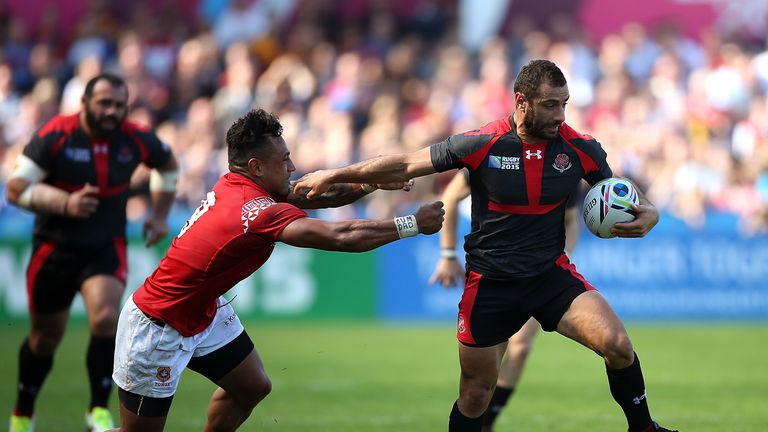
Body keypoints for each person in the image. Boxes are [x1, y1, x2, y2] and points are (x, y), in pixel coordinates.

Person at [294, 59, 677, 432]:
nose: (560, 115)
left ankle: (644, 429)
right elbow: (406, 164)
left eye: (564, 104)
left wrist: (651, 211)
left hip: (549, 277)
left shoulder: (580, 148)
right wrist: (333, 173)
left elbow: (620, 193)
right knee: (476, 394)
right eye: (549, 105)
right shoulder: (482, 142)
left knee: (618, 345)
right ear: (521, 101)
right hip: (490, 285)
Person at [109, 108, 444, 432]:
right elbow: (339, 236)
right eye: (284, 161)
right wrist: (412, 223)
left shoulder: (239, 185)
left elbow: (314, 196)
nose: (292, 166)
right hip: (158, 325)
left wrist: (369, 184)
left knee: (252, 386)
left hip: (203, 311)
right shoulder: (255, 211)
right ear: (255, 166)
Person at [6, 73, 179, 432]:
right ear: (85, 103)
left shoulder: (134, 138)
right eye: (104, 103)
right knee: (44, 339)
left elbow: (168, 165)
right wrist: (64, 202)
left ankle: (97, 411)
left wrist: (160, 216)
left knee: (104, 318)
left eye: (119, 105)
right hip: (54, 249)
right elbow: (15, 189)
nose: (112, 111)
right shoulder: (56, 134)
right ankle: (23, 412)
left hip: (105, 247)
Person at [429, 169, 583, 431]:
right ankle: (479, 416)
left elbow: (570, 219)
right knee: (485, 370)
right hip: (495, 273)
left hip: (540, 272)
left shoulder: (562, 166)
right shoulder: (491, 153)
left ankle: (489, 421)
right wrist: (447, 253)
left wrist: (562, 258)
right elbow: (452, 195)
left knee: (520, 346)